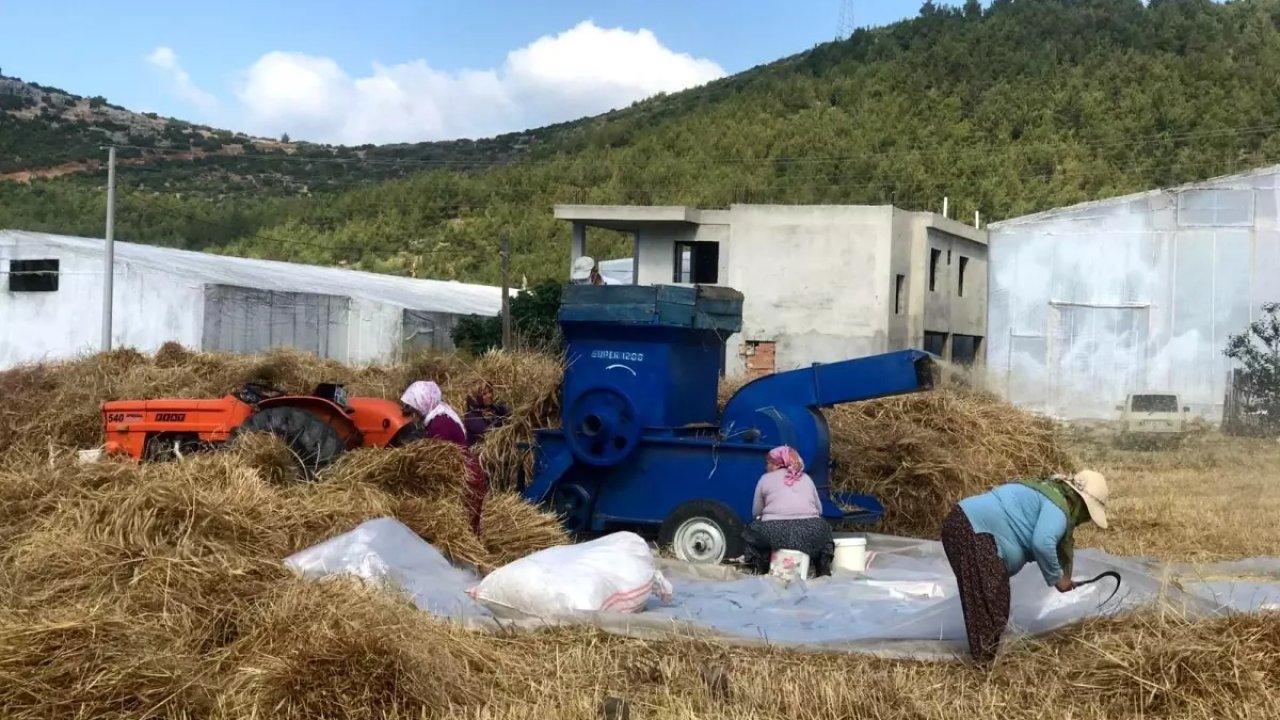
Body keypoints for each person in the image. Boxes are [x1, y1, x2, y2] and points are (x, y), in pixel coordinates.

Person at [941, 470, 1111, 664]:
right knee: (991, 608)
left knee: (989, 604)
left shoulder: (1049, 492)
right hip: (975, 531)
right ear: (1081, 504)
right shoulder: (1058, 507)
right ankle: (984, 669)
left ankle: (985, 662)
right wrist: (1057, 578)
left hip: (965, 525)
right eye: (1087, 514)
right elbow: (1042, 543)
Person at [400, 380, 488, 535]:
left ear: (423, 404)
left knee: (461, 534)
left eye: (414, 410)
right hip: (463, 476)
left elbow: (436, 465)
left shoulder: (440, 424)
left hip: (465, 481)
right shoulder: (439, 415)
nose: (412, 417)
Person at [740, 446, 835, 577]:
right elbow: (819, 510)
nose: (766, 467)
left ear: (775, 464)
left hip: (774, 533)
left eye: (767, 463)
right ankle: (822, 569)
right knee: (825, 530)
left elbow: (756, 512)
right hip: (809, 532)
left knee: (750, 532)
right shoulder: (806, 478)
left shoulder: (765, 479)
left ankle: (759, 568)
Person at [462, 381, 511, 447]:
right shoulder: (471, 417)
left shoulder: (495, 409)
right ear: (476, 397)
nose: (490, 395)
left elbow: (510, 414)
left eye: (490, 391)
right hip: (478, 454)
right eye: (484, 394)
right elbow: (489, 434)